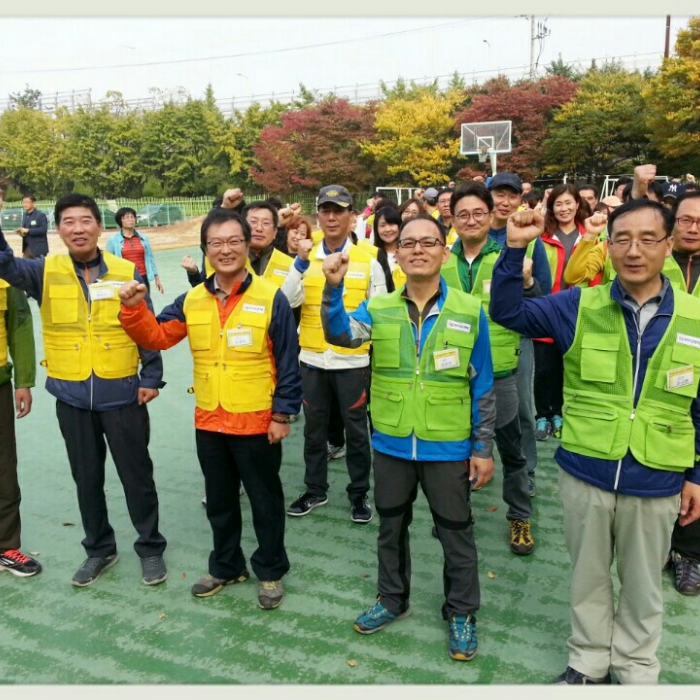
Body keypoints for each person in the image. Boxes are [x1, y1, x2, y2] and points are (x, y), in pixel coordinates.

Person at [490, 199, 700, 685]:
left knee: (644, 585)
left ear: (667, 245)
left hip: (657, 475)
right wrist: (514, 247)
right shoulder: (578, 305)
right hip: (587, 470)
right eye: (622, 239)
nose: (634, 250)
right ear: (608, 246)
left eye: (647, 239)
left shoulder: (694, 317)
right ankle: (588, 662)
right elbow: (507, 311)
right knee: (588, 577)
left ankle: (636, 668)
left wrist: (696, 475)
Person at [321, 213, 496, 661]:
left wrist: (482, 448)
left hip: (448, 445)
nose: (418, 250)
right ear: (396, 254)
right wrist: (333, 290)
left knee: (456, 532)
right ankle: (392, 599)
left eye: (428, 242)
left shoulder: (469, 309)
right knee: (391, 527)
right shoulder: (378, 308)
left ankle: (461, 611)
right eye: (409, 243)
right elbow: (341, 335)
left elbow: (482, 383)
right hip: (392, 442)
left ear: (444, 251)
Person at [118, 208, 302, 610]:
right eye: (215, 243)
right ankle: (227, 566)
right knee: (219, 502)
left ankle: (270, 570)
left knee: (265, 502)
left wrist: (282, 415)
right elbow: (158, 336)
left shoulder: (270, 297)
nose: (225, 250)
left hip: (257, 422)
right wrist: (133, 309)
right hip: (210, 421)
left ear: (248, 246)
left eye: (234, 241)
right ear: (204, 249)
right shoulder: (192, 299)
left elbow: (288, 360)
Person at [0, 193, 167, 588]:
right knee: (86, 478)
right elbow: (5, 263)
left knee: (137, 475)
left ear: (99, 226)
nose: (78, 229)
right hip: (72, 396)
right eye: (69, 222)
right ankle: (99, 549)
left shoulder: (125, 270)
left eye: (86, 220)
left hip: (122, 392)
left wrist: (151, 376)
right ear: (58, 229)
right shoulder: (44, 271)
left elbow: (145, 321)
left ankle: (150, 547)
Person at [442, 183, 537, 554]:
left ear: (490, 215)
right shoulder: (441, 261)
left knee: (512, 451)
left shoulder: (508, 258)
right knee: (456, 451)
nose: (471, 220)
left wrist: (527, 281)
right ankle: (457, 513)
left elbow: (536, 302)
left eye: (478, 213)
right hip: (453, 376)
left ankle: (520, 516)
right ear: (452, 219)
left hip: (499, 373)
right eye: (462, 214)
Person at [284, 185, 387, 523]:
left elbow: (379, 311)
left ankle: (359, 494)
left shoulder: (369, 260)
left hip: (353, 362)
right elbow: (285, 302)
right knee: (314, 431)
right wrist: (300, 262)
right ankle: (315, 489)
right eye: (325, 210)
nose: (331, 217)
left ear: (351, 217)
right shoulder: (306, 258)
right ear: (317, 216)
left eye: (338, 211)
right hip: (312, 360)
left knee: (356, 433)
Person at [487, 172, 552, 497]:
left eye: (512, 195)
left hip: (517, 337)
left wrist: (526, 282)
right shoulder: (467, 234)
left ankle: (526, 471)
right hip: (474, 336)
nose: (505, 201)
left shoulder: (532, 239)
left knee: (522, 408)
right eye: (498, 194)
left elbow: (543, 293)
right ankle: (473, 465)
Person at [533, 184, 589, 442]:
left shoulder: (590, 235)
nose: (564, 208)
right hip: (546, 311)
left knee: (568, 368)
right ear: (551, 207)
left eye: (568, 203)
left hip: (576, 314)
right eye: (558, 204)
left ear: (577, 204)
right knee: (544, 369)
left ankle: (560, 413)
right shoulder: (541, 236)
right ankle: (543, 415)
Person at [0, 280, 40, 578]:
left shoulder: (5, 278)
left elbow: (20, 326)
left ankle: (6, 546)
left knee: (3, 467)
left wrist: (23, 380)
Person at [106, 207, 164, 295]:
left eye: (132, 217)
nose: (131, 220)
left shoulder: (143, 238)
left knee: (145, 302)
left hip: (143, 278)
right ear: (121, 220)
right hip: (124, 280)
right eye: (127, 217)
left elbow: (150, 259)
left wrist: (157, 278)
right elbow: (108, 262)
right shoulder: (113, 240)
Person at [372, 207, 405, 294]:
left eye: (391, 224)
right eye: (382, 225)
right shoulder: (371, 255)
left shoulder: (408, 253)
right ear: (376, 229)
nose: (387, 229)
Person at [16, 195, 48, 259]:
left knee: (39, 265)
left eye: (27, 202)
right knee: (24, 264)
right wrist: (21, 232)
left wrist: (28, 230)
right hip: (27, 248)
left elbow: (43, 230)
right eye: (23, 202)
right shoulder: (25, 215)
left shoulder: (40, 215)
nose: (25, 204)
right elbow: (26, 230)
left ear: (33, 203)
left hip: (38, 248)